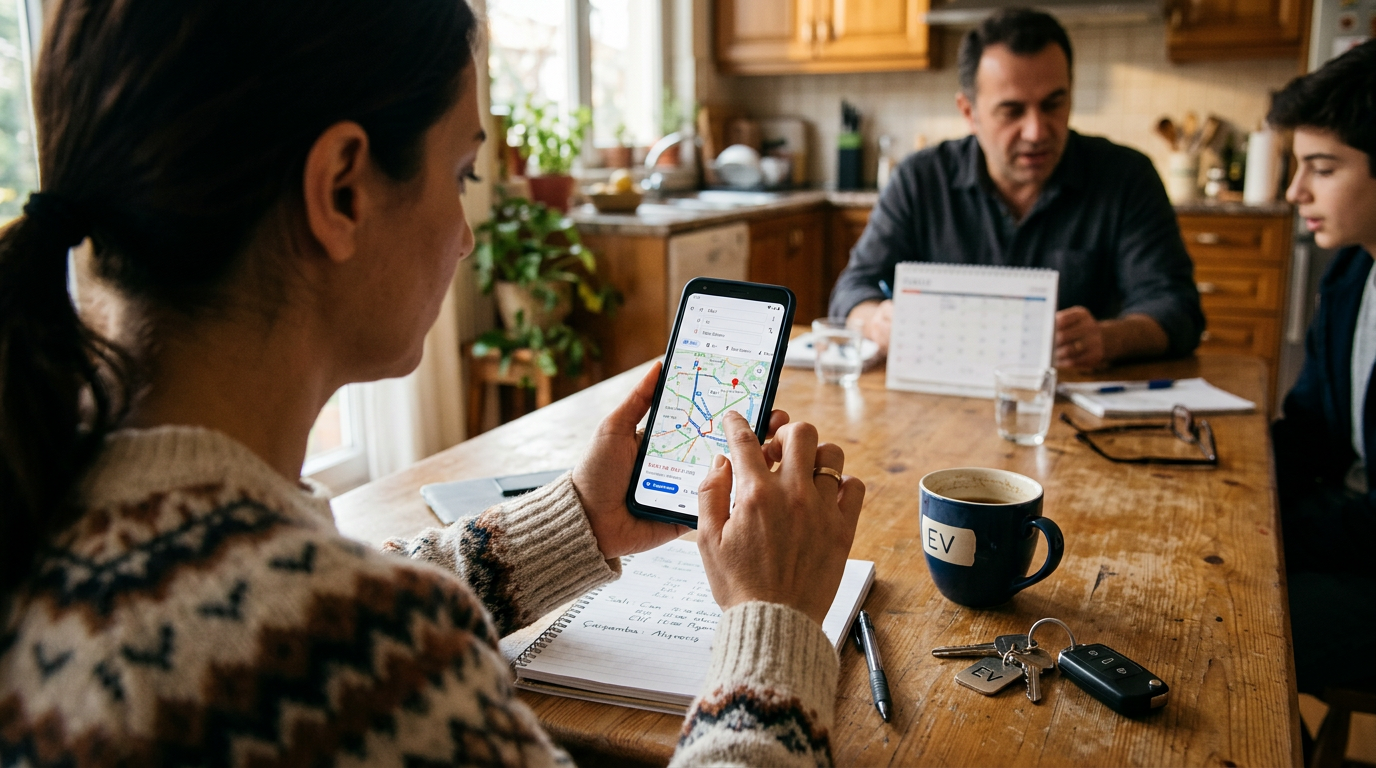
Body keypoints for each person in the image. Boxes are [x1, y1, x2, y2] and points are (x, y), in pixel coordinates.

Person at [0, 0, 865, 765]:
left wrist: (576, 522)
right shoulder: (368, 664)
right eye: (463, 175)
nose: (464, 236)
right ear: (341, 190)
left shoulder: (44, 472)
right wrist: (774, 621)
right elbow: (331, 642)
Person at [830, 8, 1205, 370]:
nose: (1037, 132)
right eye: (1012, 111)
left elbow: (1178, 308)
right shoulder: (919, 179)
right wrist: (876, 320)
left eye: (1053, 104)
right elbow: (851, 290)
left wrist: (1108, 338)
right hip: (936, 404)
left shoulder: (1126, 177)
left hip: (1072, 405)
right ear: (969, 113)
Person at [1267, 39, 1376, 698]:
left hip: (1365, 563)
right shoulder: (1353, 271)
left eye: (1323, 168)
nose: (1294, 190)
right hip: (1349, 531)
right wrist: (1242, 487)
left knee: (1228, 635)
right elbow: (1308, 421)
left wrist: (1278, 531)